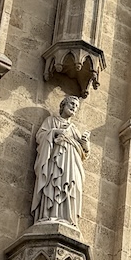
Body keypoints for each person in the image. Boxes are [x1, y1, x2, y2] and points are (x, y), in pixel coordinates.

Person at [32, 96, 89, 227]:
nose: (74, 107)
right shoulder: (51, 121)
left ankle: (67, 217)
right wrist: (55, 132)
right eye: (72, 103)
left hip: (71, 164)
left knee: (70, 187)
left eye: (76, 106)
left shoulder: (74, 129)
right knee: (53, 184)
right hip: (55, 161)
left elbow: (83, 152)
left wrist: (85, 144)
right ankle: (49, 214)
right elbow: (40, 137)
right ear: (63, 105)